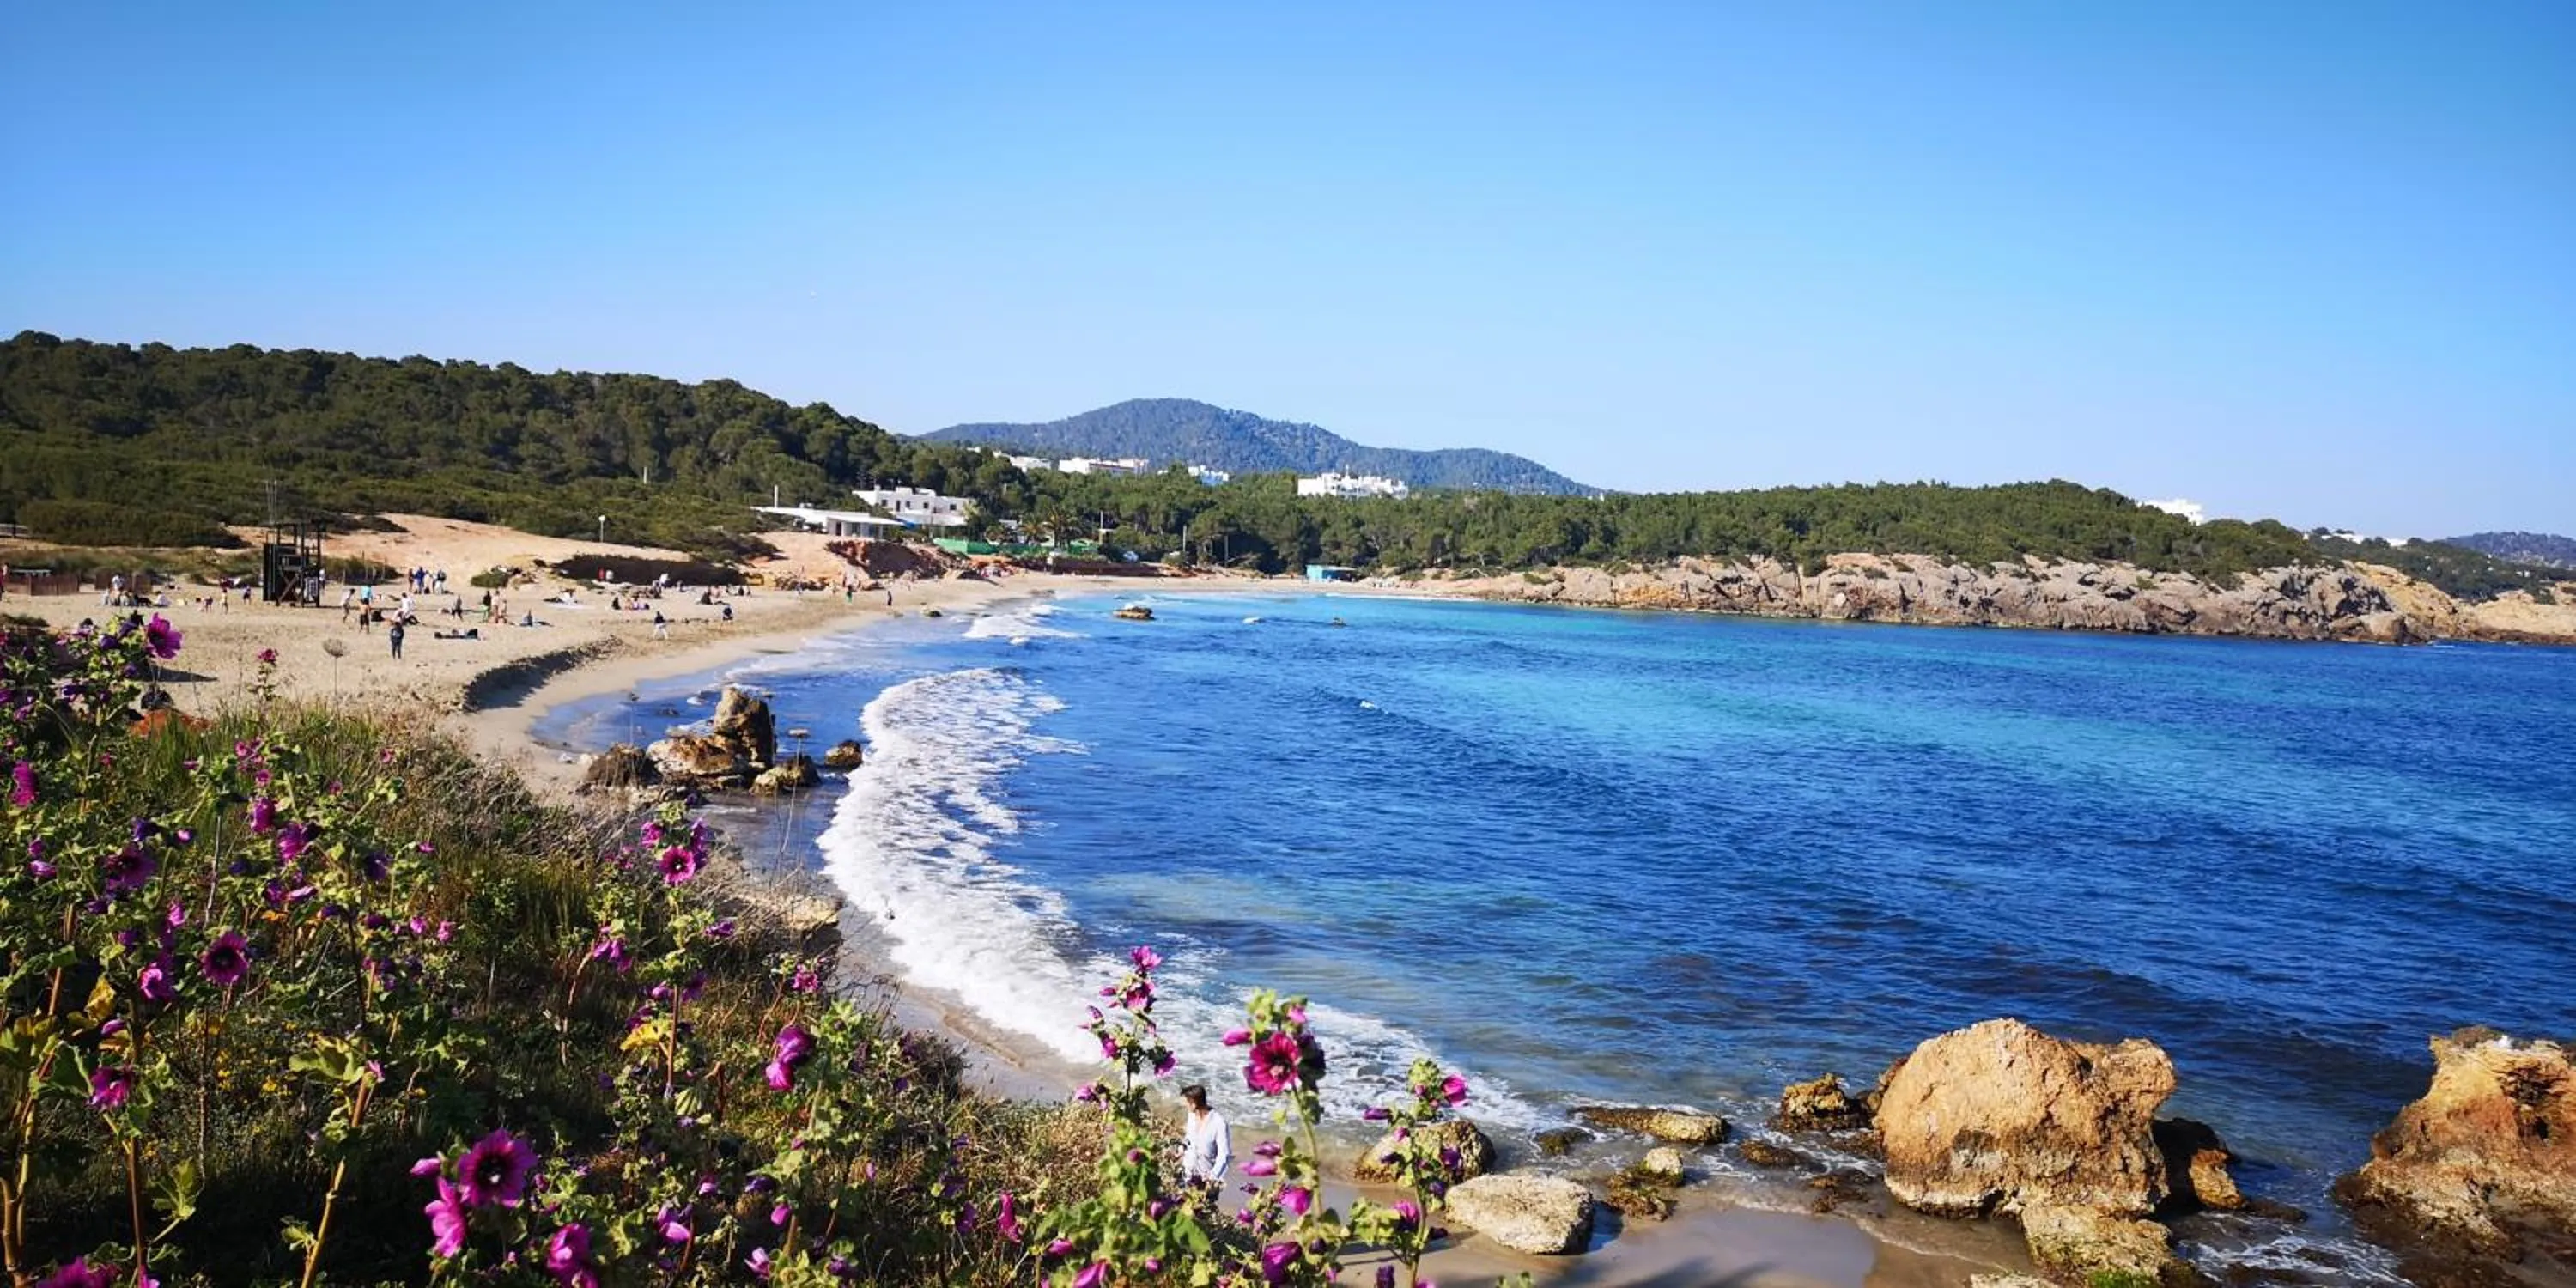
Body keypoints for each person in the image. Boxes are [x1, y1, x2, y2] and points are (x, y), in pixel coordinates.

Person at [1179, 1084, 1230, 1194]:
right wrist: (1182, 1147)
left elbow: (1224, 1155)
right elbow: (1189, 1137)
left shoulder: (1219, 1123)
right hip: (1186, 1176)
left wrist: (1213, 1176)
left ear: (1194, 1103)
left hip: (1206, 1182)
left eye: (1187, 1102)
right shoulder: (1192, 1116)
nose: (1185, 1105)